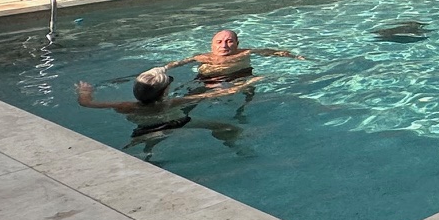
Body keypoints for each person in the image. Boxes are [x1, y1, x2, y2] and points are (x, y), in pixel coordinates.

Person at [75, 68, 258, 146]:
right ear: (165, 92)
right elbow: (210, 95)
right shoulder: (172, 102)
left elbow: (87, 104)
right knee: (227, 127)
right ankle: (232, 143)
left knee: (148, 145)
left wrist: (84, 91)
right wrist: (248, 82)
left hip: (144, 129)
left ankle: (148, 152)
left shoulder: (126, 106)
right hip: (178, 123)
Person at [164, 29, 303, 86]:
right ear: (212, 45)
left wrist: (296, 57)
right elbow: (179, 63)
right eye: (219, 42)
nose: (224, 45)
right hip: (207, 80)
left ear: (237, 43)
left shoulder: (245, 53)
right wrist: (163, 69)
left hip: (241, 77)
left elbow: (271, 52)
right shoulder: (203, 57)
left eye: (229, 41)